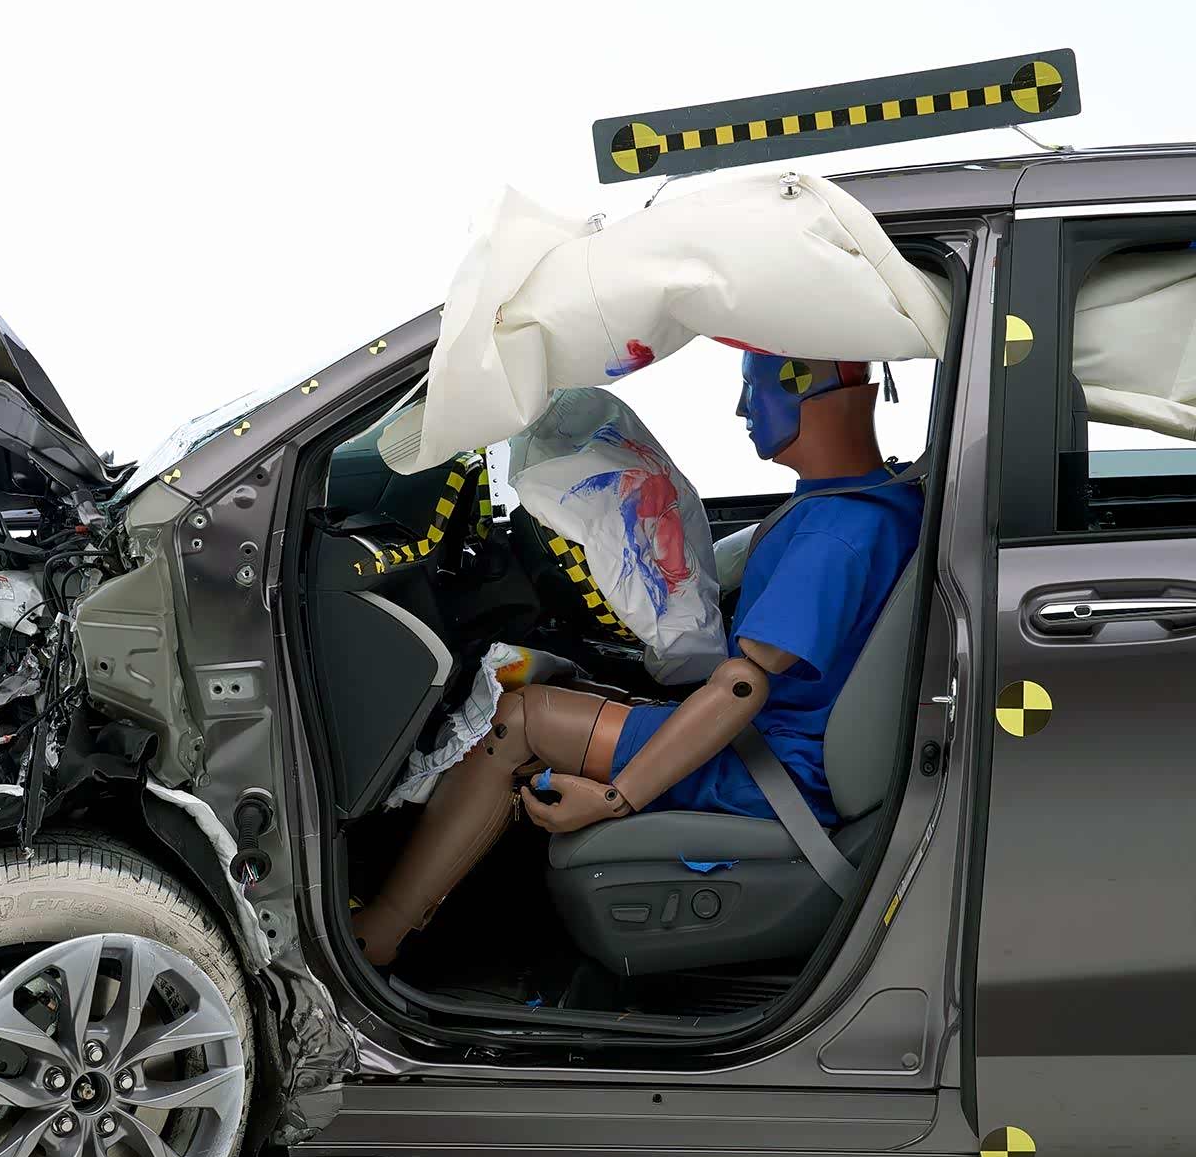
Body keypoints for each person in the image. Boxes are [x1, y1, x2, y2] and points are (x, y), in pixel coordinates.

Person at [351, 351, 924, 967]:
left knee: (514, 720)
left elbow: (741, 686)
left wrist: (615, 798)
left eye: (752, 388)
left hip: (774, 769)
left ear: (802, 388)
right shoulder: (873, 498)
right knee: (563, 688)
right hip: (783, 743)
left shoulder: (833, 534)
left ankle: (378, 934)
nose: (742, 409)